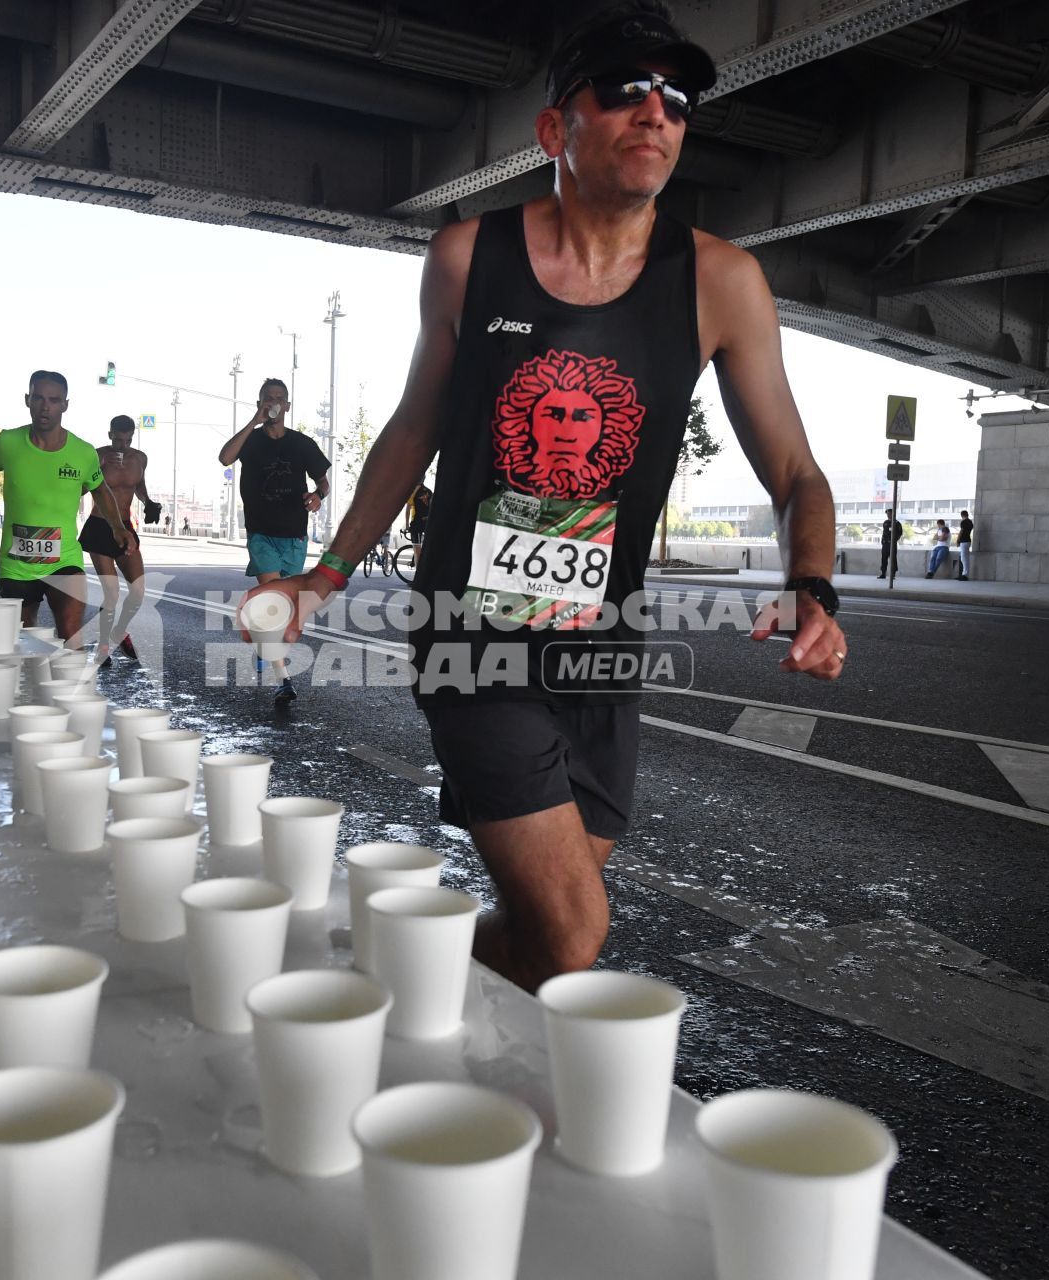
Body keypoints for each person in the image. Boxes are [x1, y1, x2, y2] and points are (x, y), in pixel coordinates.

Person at [238, 3, 845, 992]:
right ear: (556, 129)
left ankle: (402, 988)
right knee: (573, 930)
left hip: (602, 643)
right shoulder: (471, 260)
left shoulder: (721, 282)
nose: (658, 111)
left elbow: (798, 474)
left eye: (678, 97)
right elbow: (413, 426)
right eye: (626, 89)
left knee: (538, 929)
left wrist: (814, 583)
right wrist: (327, 572)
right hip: (472, 631)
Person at [0, 371, 132, 643]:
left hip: (64, 562)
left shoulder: (83, 452)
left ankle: (72, 686)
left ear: (65, 405)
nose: (45, 406)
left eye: (54, 399)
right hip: (17, 565)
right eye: (38, 397)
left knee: (71, 639)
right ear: (27, 400)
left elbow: (100, 490)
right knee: (22, 643)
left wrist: (118, 527)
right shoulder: (9, 442)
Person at [218, 377, 330, 706]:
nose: (275, 402)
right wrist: (254, 420)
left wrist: (318, 495)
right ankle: (284, 680)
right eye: (268, 398)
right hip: (262, 533)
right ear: (261, 402)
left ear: (289, 405)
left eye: (280, 398)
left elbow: (323, 479)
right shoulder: (251, 441)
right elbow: (225, 458)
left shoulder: (301, 444)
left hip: (294, 535)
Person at [81, 415, 158, 668]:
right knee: (111, 593)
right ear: (110, 434)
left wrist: (149, 503)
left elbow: (140, 486)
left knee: (137, 591)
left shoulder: (140, 458)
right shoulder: (97, 455)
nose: (122, 446)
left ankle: (119, 632)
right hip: (100, 526)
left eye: (128, 440)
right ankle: (104, 646)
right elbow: (80, 489)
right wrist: (100, 465)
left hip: (125, 528)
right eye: (118, 439)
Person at [406, 481, 433, 566]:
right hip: (428, 523)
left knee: (417, 551)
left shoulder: (413, 492)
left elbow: (408, 510)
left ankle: (418, 575)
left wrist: (407, 525)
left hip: (416, 523)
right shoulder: (429, 491)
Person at [876, 508, 903, 579]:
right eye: (887, 514)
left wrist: (894, 541)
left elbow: (900, 533)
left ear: (893, 514)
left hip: (892, 544)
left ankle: (893, 574)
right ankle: (883, 573)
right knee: (884, 559)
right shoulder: (885, 522)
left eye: (889, 513)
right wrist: (882, 541)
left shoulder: (897, 523)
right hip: (885, 544)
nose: (888, 515)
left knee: (893, 559)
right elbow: (884, 533)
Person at [956, 508, 973, 581]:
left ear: (961, 515)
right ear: (967, 515)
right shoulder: (970, 522)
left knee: (963, 558)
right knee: (965, 558)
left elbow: (961, 531)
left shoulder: (963, 522)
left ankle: (964, 575)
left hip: (964, 541)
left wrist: (958, 540)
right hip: (968, 540)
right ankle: (963, 574)